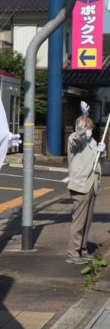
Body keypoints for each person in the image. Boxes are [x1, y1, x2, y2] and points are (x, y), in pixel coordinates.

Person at [66, 113, 106, 264]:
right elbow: (77, 138)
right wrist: (84, 119)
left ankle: (82, 249)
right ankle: (72, 253)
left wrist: (103, 152)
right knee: (79, 221)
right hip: (80, 184)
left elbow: (98, 159)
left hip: (92, 184)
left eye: (91, 127)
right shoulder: (74, 139)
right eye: (89, 127)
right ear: (82, 128)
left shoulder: (93, 141)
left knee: (87, 221)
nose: (91, 130)